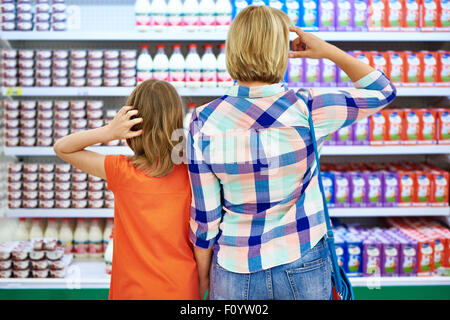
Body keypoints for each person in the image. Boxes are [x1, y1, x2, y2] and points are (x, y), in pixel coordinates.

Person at [187, 6, 397, 300]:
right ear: (280, 51)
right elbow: (382, 90)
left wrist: (202, 278)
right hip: (304, 260)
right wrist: (328, 52)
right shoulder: (310, 108)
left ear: (232, 49)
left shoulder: (203, 120)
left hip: (234, 267)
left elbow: (205, 220)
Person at [54, 80, 199, 300]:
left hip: (131, 291)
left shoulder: (121, 170)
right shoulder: (192, 173)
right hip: (181, 289)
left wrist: (109, 132)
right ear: (177, 120)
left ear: (132, 126)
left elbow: (62, 147)